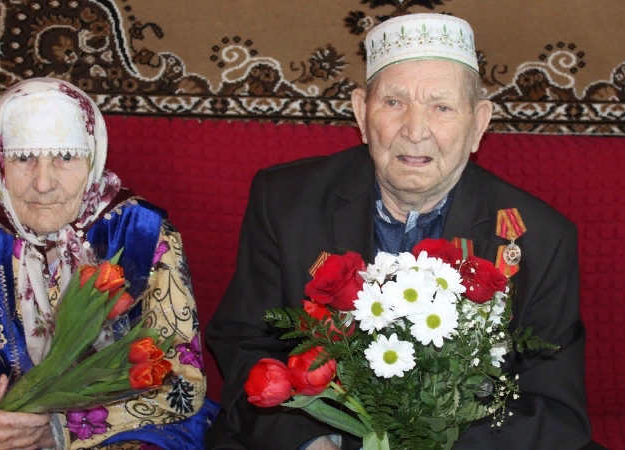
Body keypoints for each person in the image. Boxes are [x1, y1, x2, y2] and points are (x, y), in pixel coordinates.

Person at [206, 13, 600, 450]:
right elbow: (244, 341)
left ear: (478, 123)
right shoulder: (283, 201)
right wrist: (314, 443)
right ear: (362, 113)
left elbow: (554, 408)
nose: (415, 131)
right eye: (394, 102)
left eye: (442, 107)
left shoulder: (541, 238)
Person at [0, 78, 218, 449]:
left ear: (92, 157)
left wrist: (59, 430)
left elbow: (184, 380)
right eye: (23, 158)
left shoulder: (144, 233)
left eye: (65, 157)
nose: (43, 183)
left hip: (123, 427)